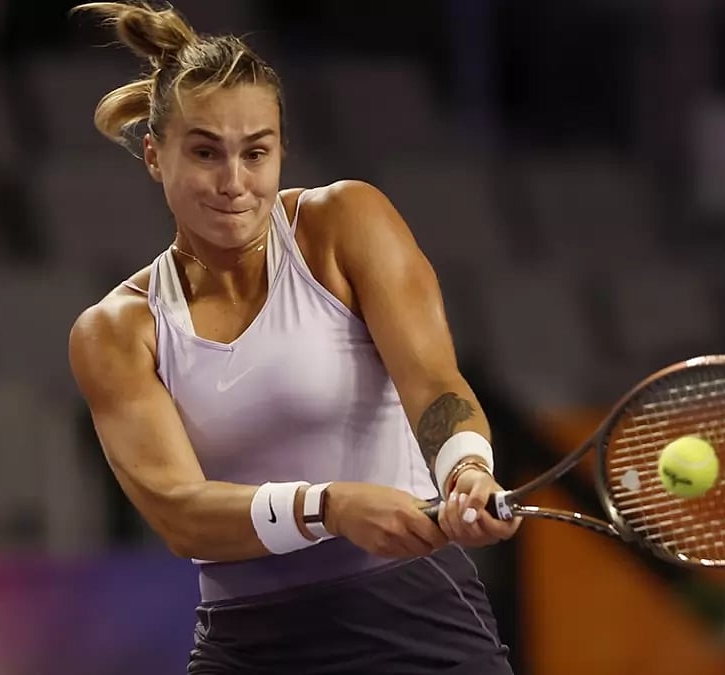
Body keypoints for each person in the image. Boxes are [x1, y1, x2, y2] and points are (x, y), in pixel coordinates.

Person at [66, 2, 522, 673]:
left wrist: (466, 469)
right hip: (248, 646)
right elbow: (180, 515)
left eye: (256, 152)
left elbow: (434, 385)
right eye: (205, 153)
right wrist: (328, 506)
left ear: (281, 151)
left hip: (417, 619)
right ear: (155, 156)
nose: (233, 183)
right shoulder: (117, 329)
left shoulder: (345, 223)